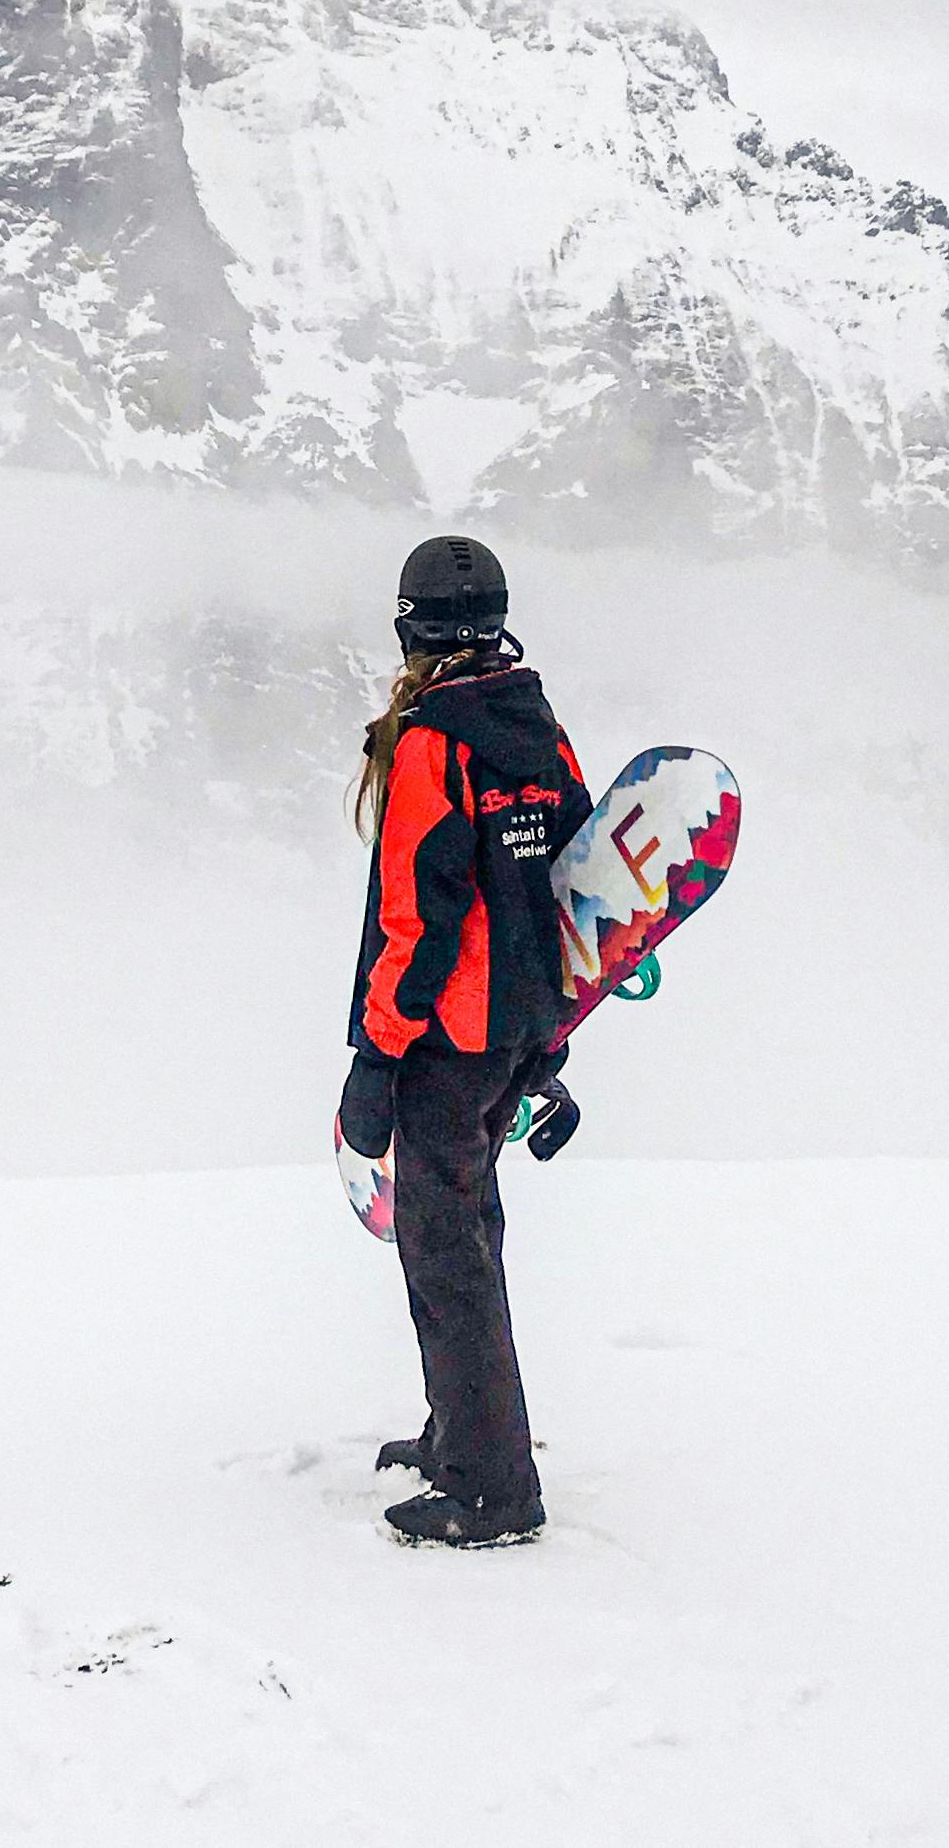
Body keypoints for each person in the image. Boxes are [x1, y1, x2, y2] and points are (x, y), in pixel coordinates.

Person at [338, 533, 593, 1547]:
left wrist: (374, 1056)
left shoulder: (433, 742)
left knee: (445, 1254)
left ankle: (489, 1487)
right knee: (468, 1236)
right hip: (517, 1028)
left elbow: (417, 918)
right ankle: (465, 1434)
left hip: (445, 1042)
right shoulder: (537, 725)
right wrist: (551, 1046)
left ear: (408, 626)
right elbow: (577, 890)